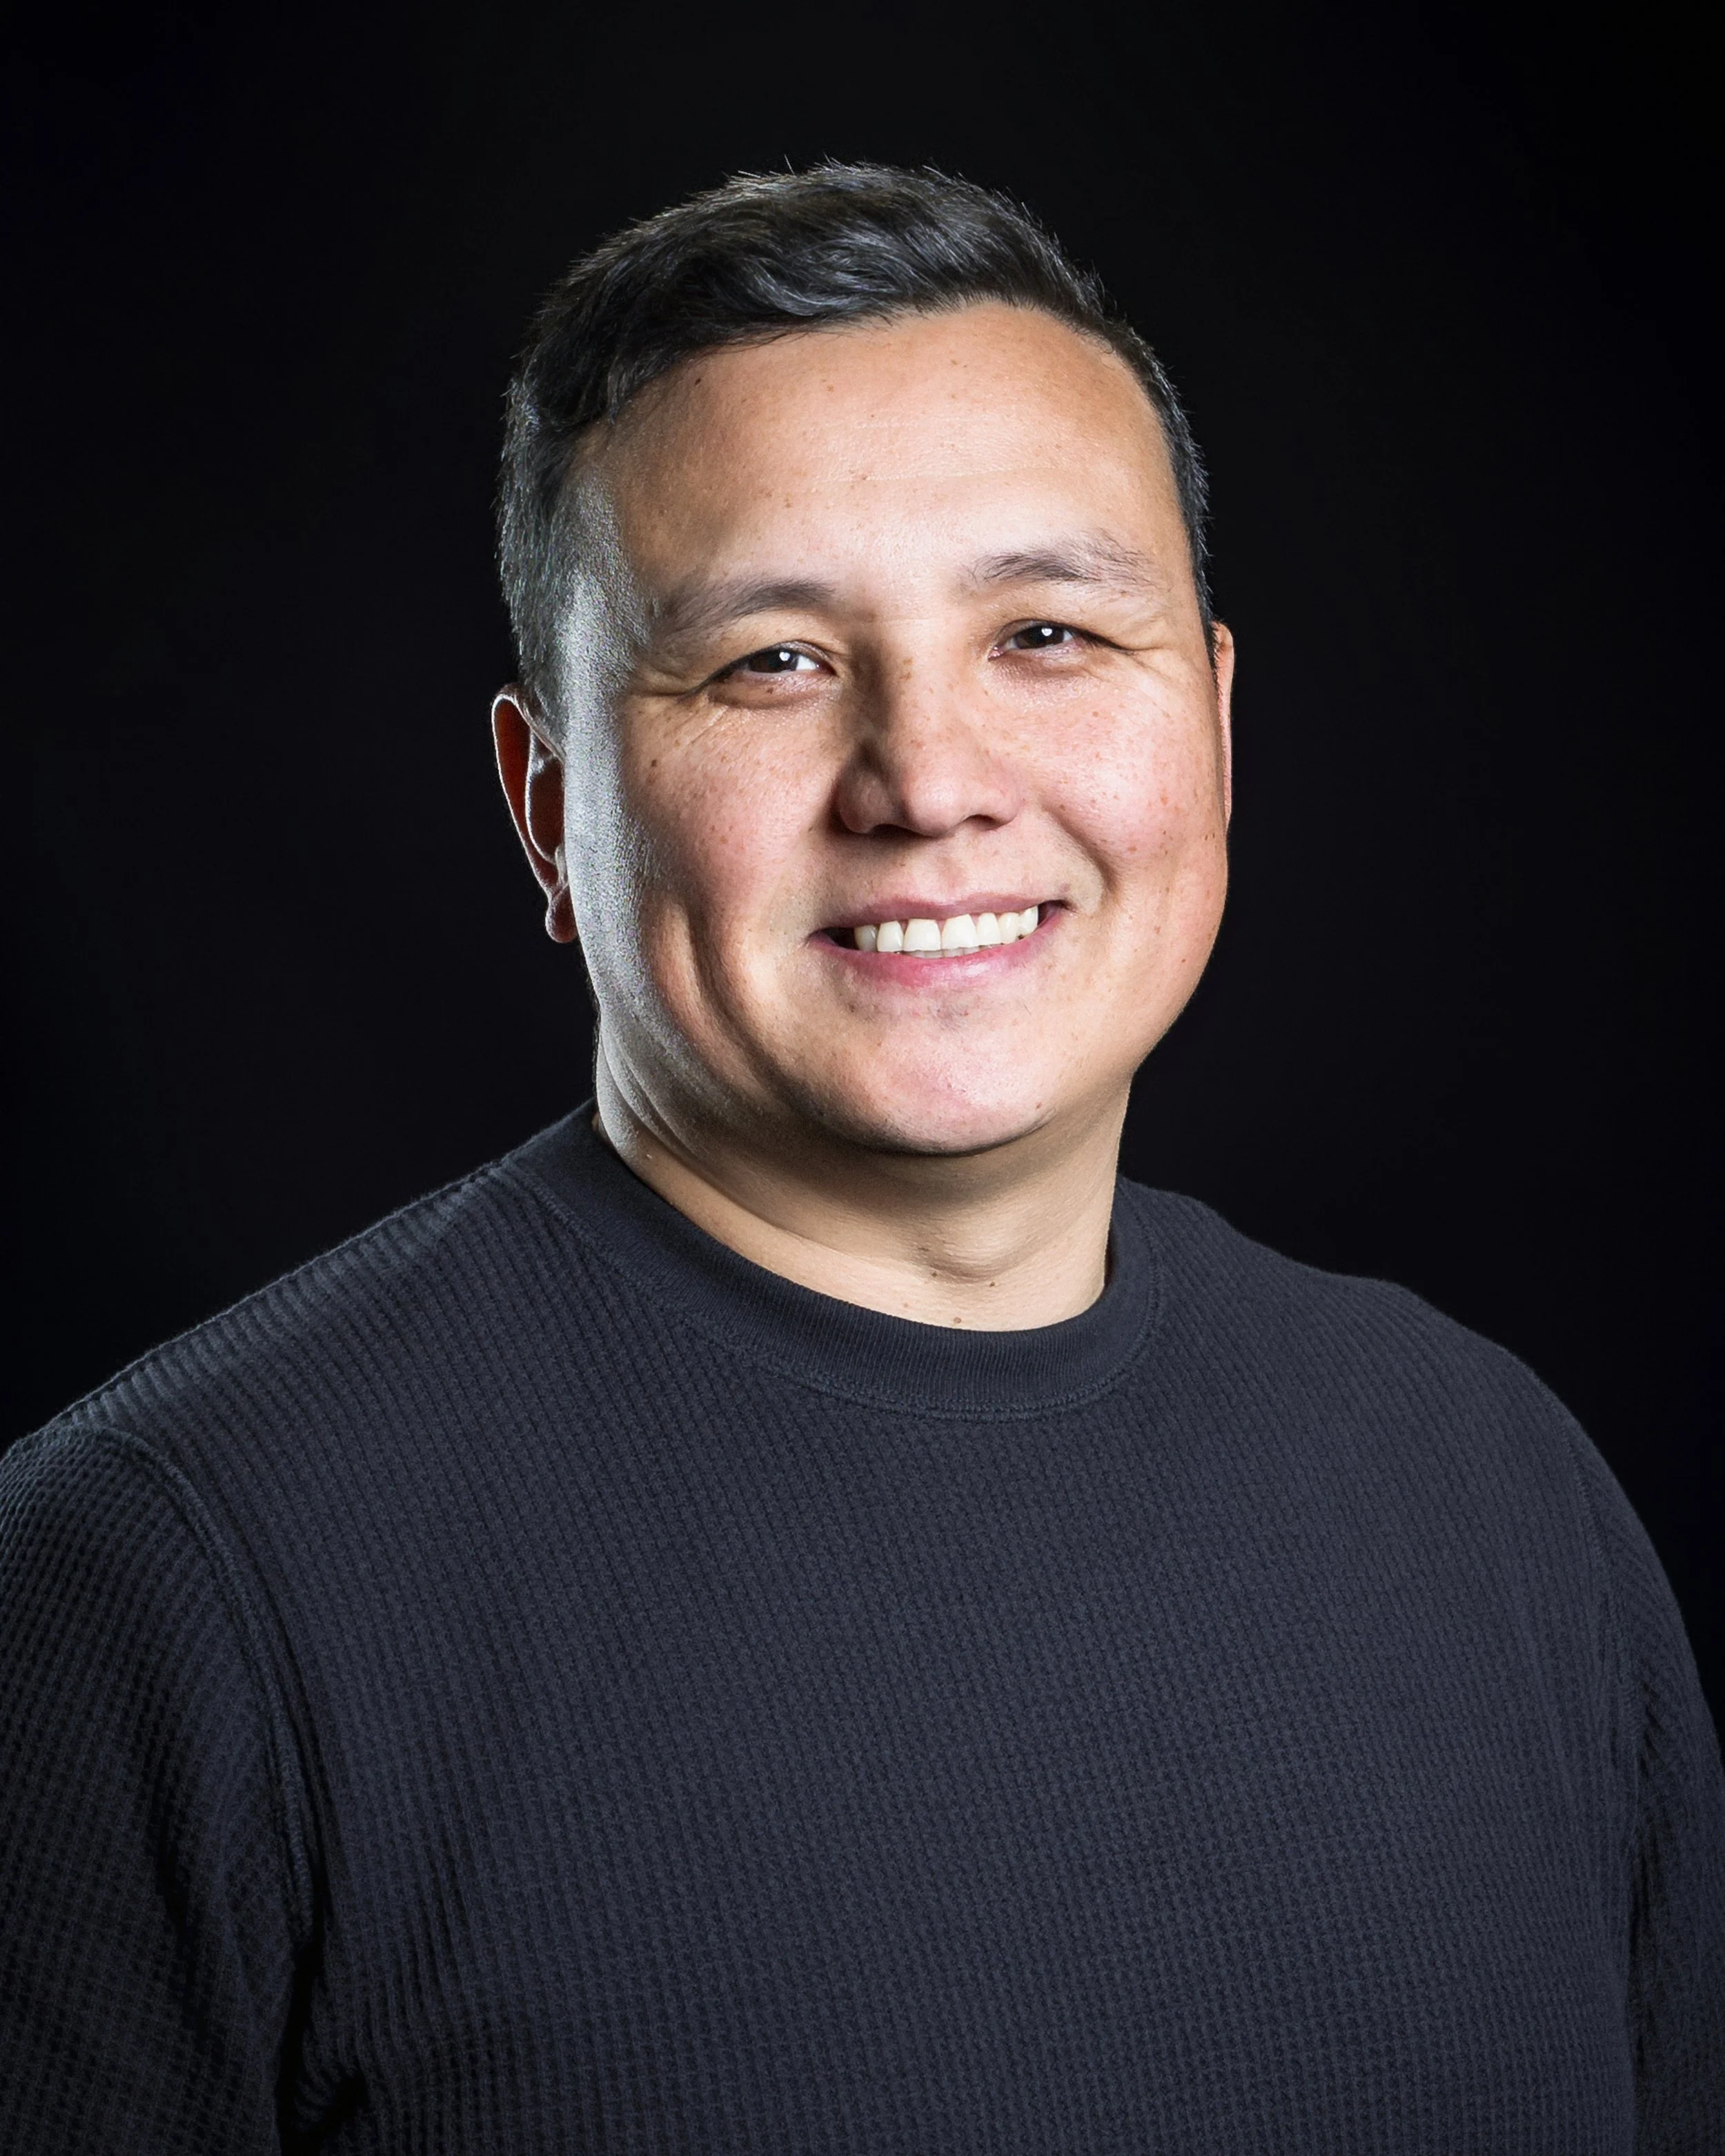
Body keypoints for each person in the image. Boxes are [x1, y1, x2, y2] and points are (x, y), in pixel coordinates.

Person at [2, 163, 1719, 2153]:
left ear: (1218, 731)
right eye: (772, 663)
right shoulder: (147, 1598)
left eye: (1050, 633)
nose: (930, 782)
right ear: (549, 806)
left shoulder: (1494, 1490)